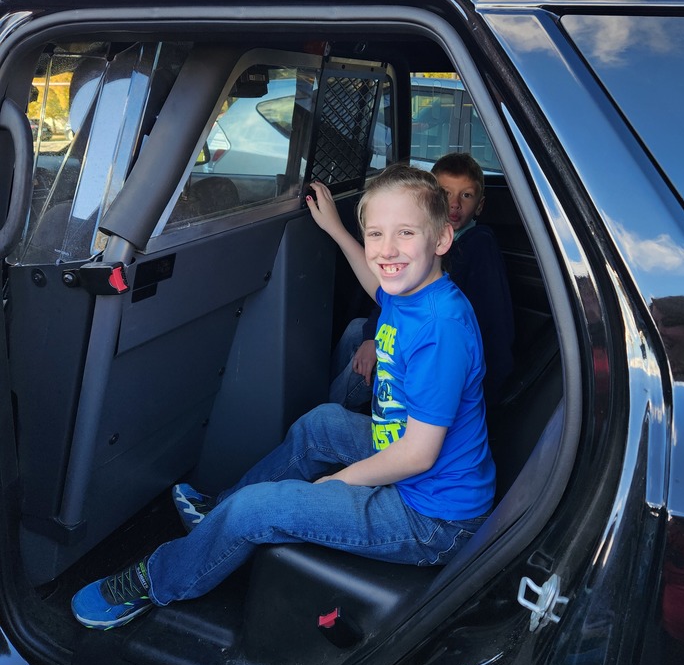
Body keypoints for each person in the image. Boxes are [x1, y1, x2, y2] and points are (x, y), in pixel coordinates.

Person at [72, 164, 496, 630]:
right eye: (376, 234)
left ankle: (157, 580)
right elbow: (377, 284)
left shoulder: (441, 329)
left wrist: (338, 482)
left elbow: (418, 455)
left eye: (405, 233)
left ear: (442, 239)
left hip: (433, 520)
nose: (387, 250)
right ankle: (219, 514)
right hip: (419, 473)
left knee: (260, 510)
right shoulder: (412, 290)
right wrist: (336, 229)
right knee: (322, 424)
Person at [330, 153, 515, 409]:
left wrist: (375, 339)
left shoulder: (475, 246)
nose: (454, 204)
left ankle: (328, 409)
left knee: (319, 422)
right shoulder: (429, 256)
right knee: (356, 329)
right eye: (445, 193)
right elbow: (390, 296)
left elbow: (490, 328)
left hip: (448, 375)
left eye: (466, 195)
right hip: (421, 341)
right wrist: (372, 334)